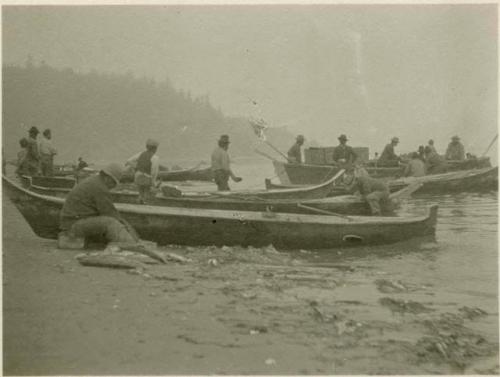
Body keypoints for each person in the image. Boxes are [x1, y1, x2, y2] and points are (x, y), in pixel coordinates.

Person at [58, 163, 165, 262]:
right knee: (110, 223)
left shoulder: (94, 181)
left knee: (111, 224)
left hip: (74, 223)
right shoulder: (99, 187)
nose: (113, 186)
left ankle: (133, 244)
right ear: (107, 177)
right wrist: (133, 237)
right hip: (73, 226)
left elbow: (109, 212)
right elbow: (111, 215)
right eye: (113, 183)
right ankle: (132, 247)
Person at [125, 139, 160, 204]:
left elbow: (128, 161)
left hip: (138, 176)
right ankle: (144, 205)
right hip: (147, 177)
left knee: (140, 193)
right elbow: (154, 172)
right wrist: (153, 182)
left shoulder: (140, 154)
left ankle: (139, 203)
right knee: (146, 193)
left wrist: (136, 167)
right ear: (155, 149)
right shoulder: (155, 158)